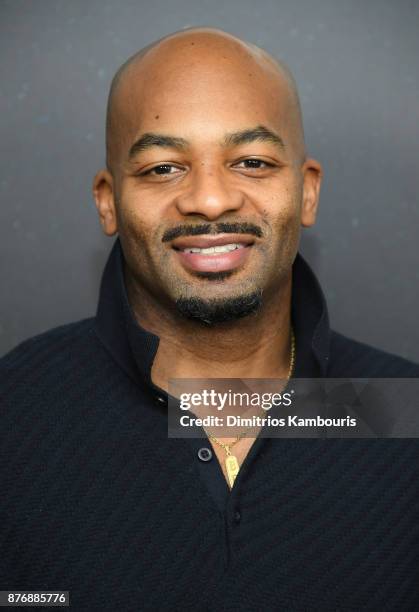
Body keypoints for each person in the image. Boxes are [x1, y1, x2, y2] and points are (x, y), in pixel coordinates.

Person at [1, 27, 418, 611]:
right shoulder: (14, 413)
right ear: (107, 201)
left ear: (307, 192)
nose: (212, 199)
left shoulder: (401, 411)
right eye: (163, 168)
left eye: (251, 161)